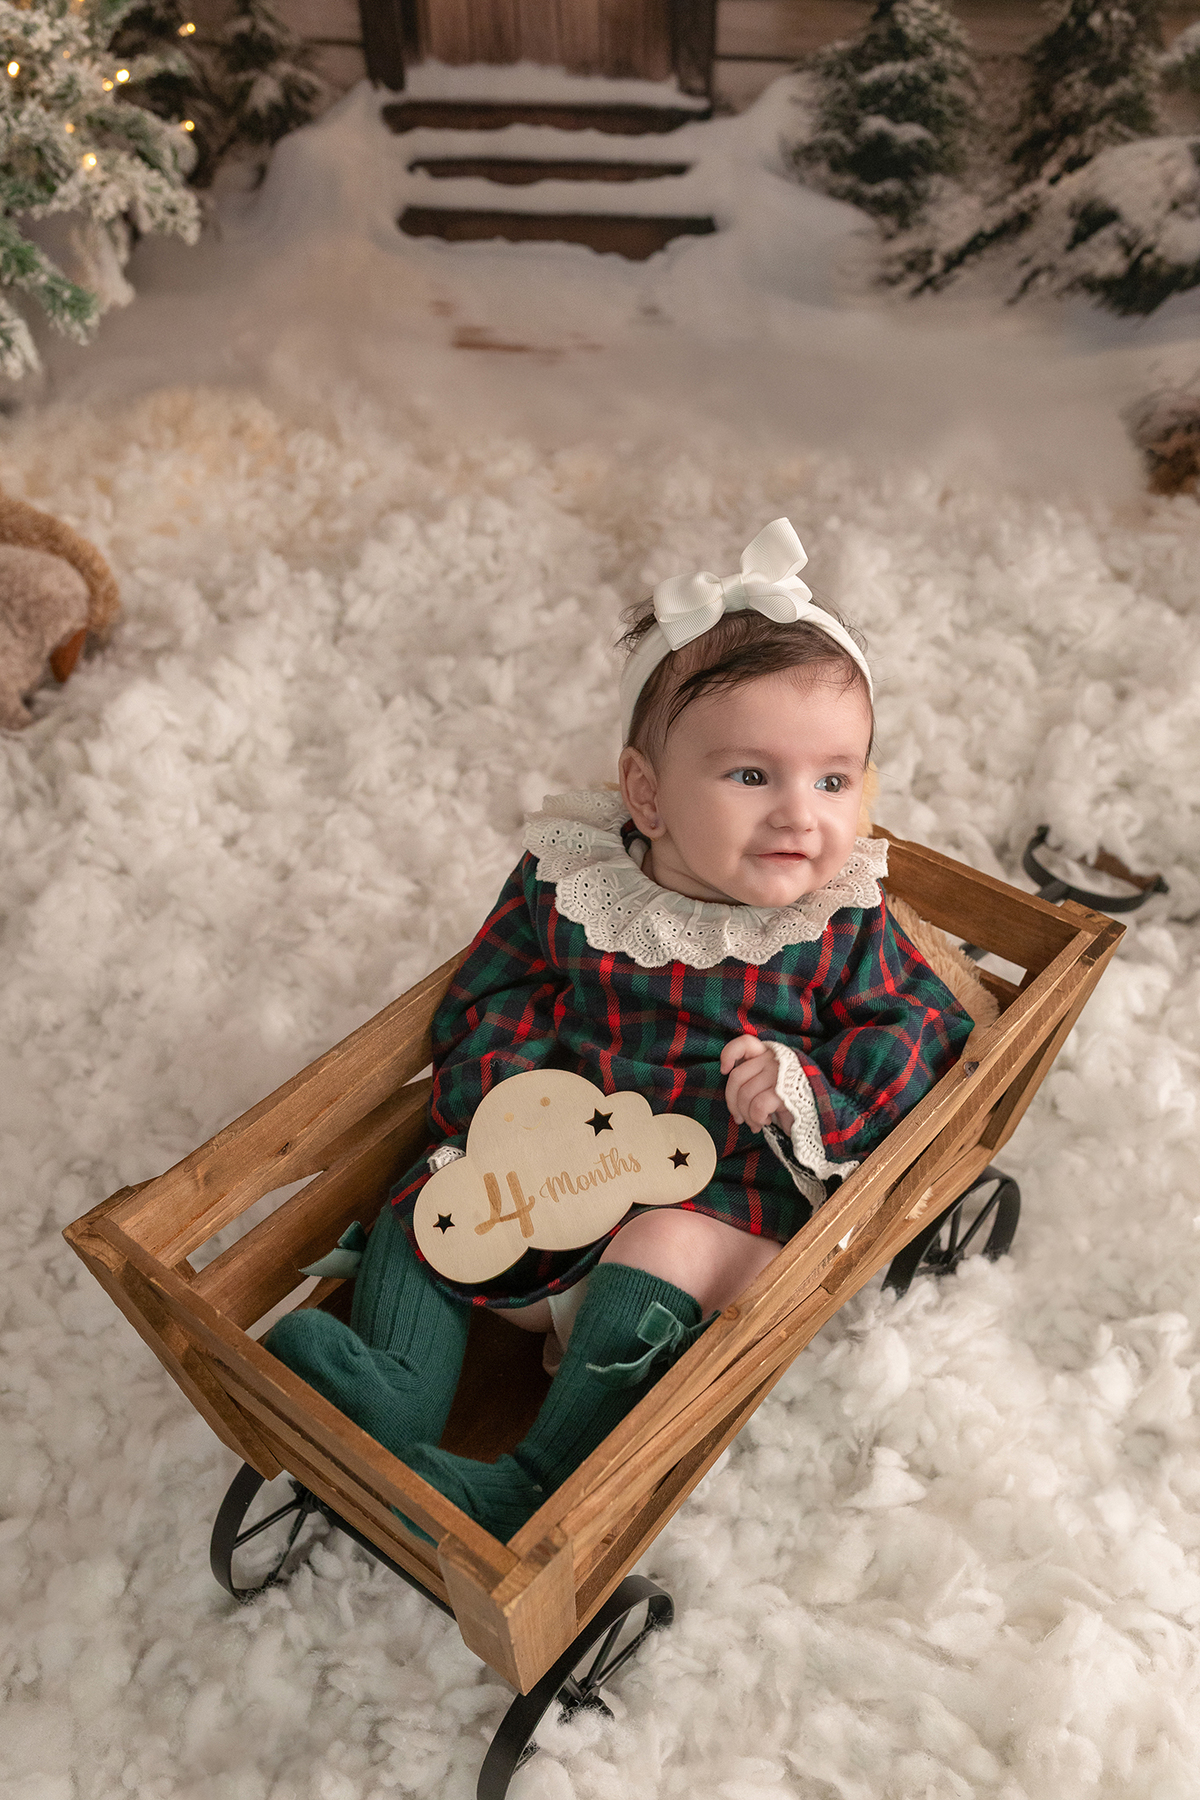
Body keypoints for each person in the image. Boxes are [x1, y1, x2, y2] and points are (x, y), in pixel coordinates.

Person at [265, 519, 973, 1542]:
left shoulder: (835, 919)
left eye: (834, 779)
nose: (799, 816)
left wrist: (798, 1084)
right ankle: (396, 1383)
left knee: (666, 1237)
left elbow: (922, 1029)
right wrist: (501, 1106)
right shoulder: (576, 883)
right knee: (436, 1179)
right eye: (750, 776)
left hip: (718, 1192)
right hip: (561, 1168)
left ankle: (535, 1482)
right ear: (646, 792)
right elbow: (494, 993)